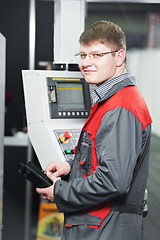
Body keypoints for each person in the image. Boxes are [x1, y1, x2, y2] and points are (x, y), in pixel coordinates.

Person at [36, 20, 152, 240]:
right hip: (97, 225)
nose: (86, 63)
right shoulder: (109, 101)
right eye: (83, 55)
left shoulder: (121, 107)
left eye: (96, 55)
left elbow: (112, 181)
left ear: (119, 57)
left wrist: (59, 191)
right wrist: (69, 168)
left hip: (106, 228)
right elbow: (104, 160)